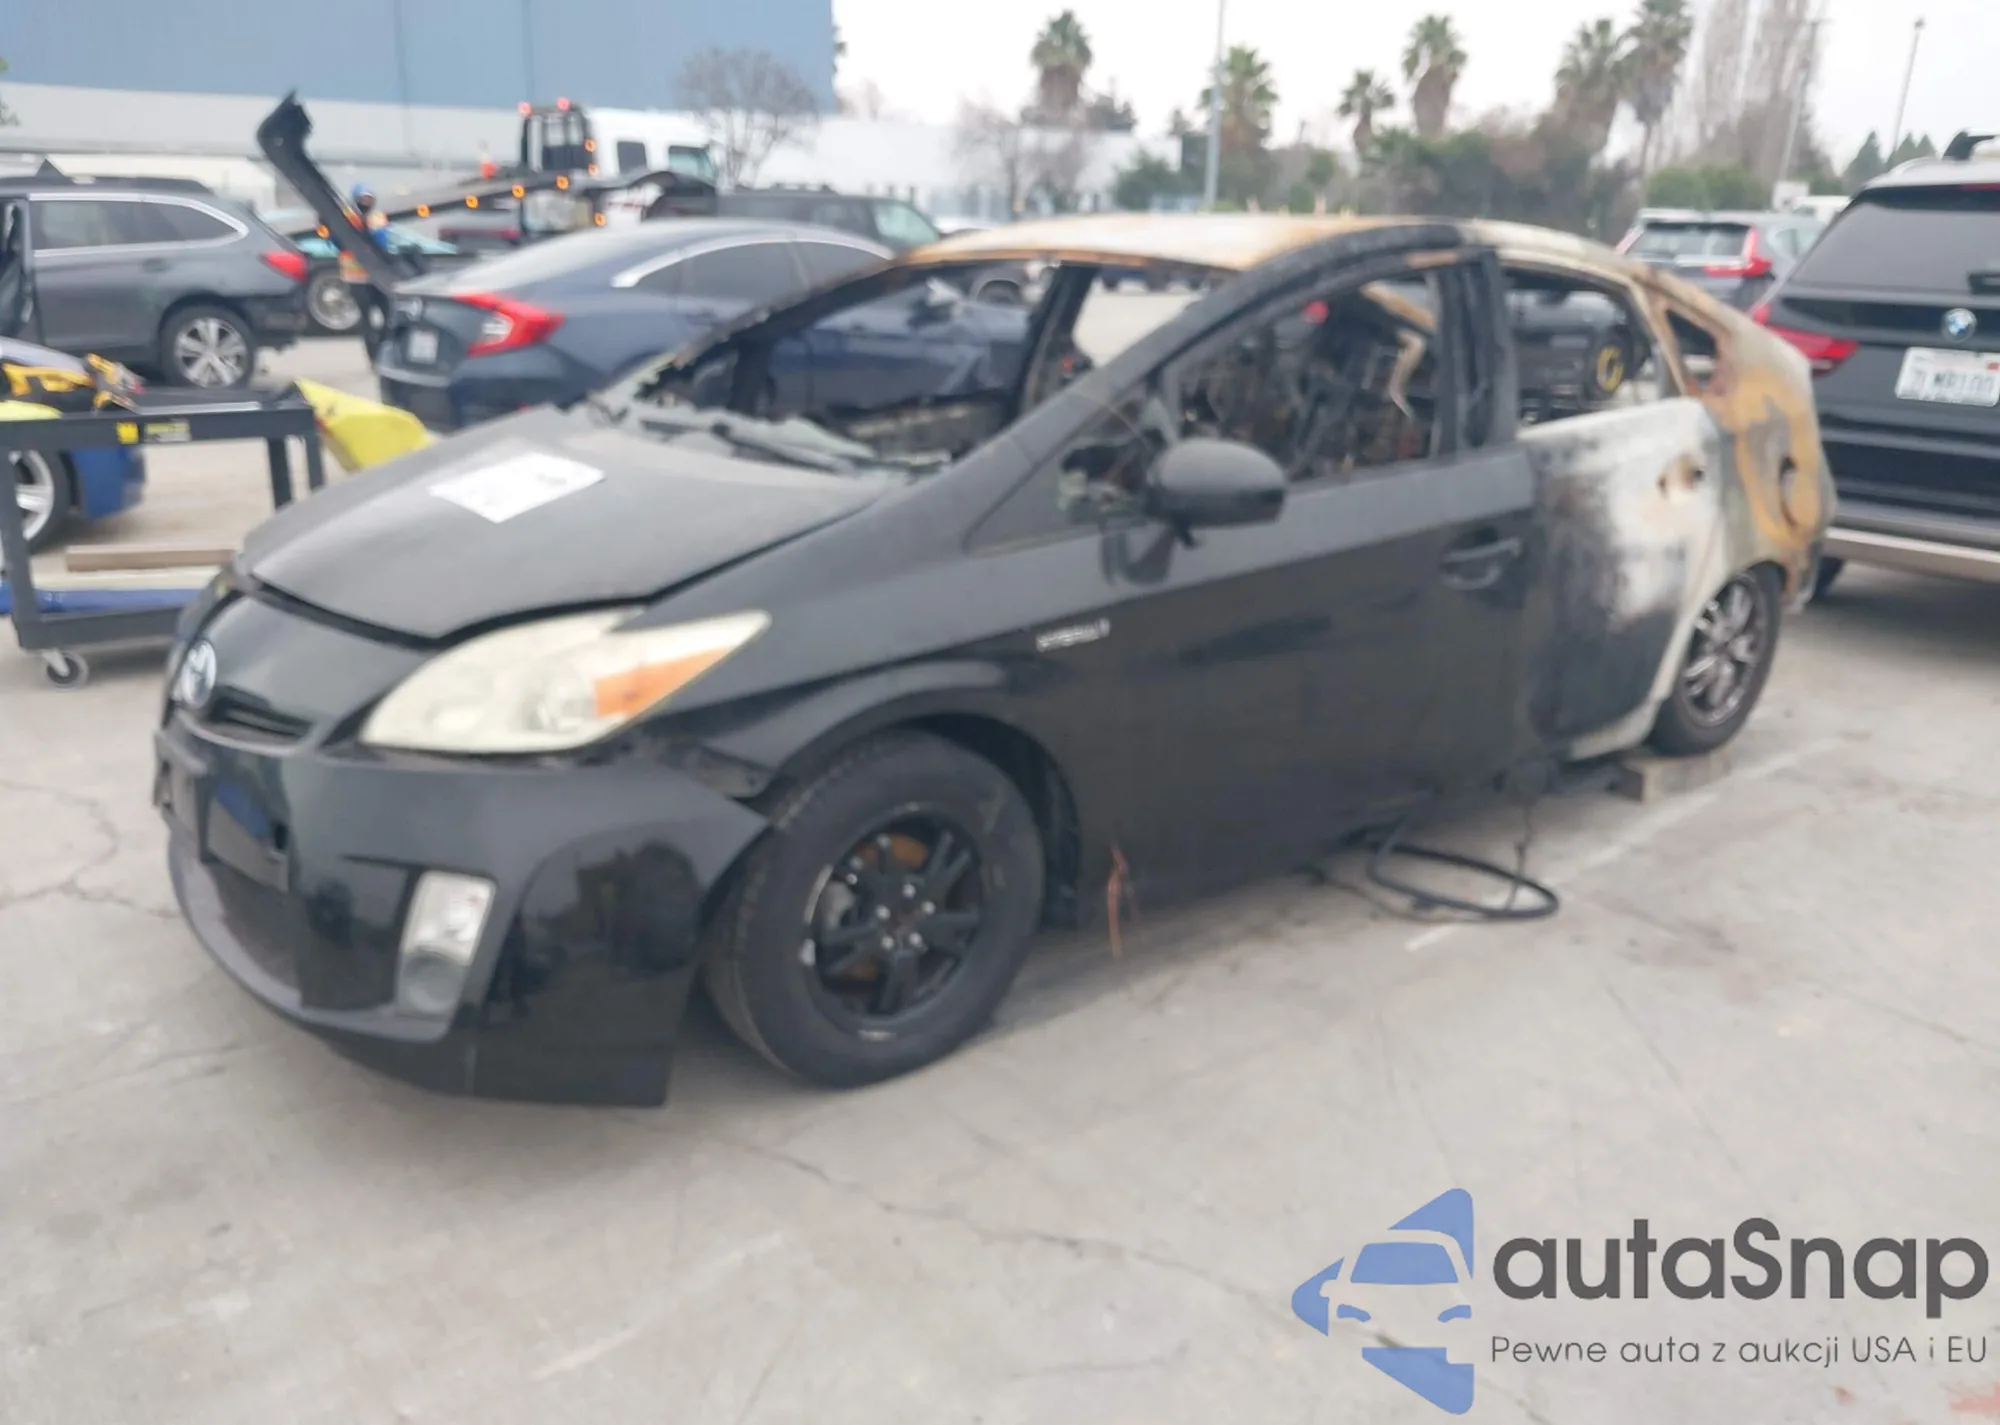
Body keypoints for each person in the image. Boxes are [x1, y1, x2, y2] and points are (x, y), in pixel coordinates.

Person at [347, 184, 394, 360]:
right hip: (356, 278)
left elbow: (382, 241)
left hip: (377, 276)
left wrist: (371, 230)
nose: (366, 202)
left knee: (388, 315)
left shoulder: (377, 217)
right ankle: (372, 355)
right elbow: (338, 242)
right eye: (363, 199)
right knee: (366, 319)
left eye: (369, 199)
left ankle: (382, 348)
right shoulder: (347, 218)